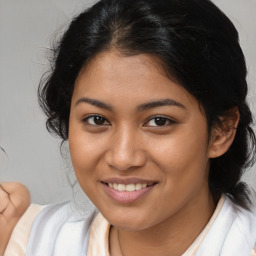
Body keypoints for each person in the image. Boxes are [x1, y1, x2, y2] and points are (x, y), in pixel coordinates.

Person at [4, 0, 256, 255]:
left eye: (159, 121)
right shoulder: (30, 242)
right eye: (97, 119)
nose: (123, 158)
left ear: (221, 131)